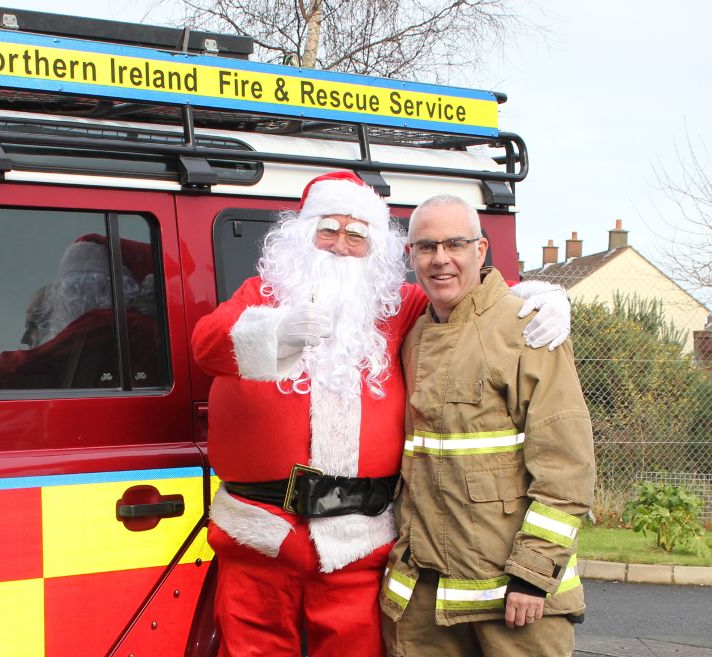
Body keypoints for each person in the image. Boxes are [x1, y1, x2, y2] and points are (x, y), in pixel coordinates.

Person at [190, 172, 572, 657]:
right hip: (261, 534)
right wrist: (276, 331)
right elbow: (206, 343)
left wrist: (539, 296)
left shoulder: (398, 306)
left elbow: (467, 294)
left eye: (356, 235)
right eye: (328, 230)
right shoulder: (262, 296)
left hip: (356, 538)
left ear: (378, 249)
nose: (341, 246)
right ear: (302, 236)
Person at [380, 194, 595, 657]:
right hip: (424, 602)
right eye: (427, 247)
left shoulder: (527, 330)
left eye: (455, 244)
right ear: (410, 257)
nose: (441, 259)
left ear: (480, 251)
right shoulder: (413, 336)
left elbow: (566, 469)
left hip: (513, 602)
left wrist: (533, 573)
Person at [0, 234, 161, 390]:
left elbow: (30, 364)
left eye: (81, 285)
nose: (71, 297)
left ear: (111, 287)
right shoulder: (143, 326)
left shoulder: (113, 323)